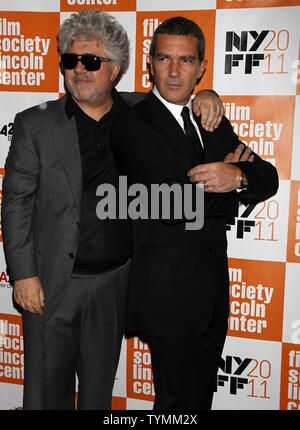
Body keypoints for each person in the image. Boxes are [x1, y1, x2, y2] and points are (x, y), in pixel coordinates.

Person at [1, 10, 224, 410]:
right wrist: (23, 274)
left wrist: (207, 97)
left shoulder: (142, 115)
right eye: (71, 60)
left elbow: (180, 98)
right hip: (49, 283)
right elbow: (15, 201)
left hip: (115, 285)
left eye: (92, 61)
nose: (79, 70)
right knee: (44, 397)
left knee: (97, 398)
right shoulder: (35, 124)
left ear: (116, 68)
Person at [111, 16, 279, 410]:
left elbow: (267, 178)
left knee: (199, 400)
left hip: (213, 291)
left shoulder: (211, 120)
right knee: (175, 404)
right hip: (167, 296)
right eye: (165, 59)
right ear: (150, 62)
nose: (173, 71)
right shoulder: (132, 126)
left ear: (201, 67)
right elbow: (170, 204)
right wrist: (233, 187)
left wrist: (235, 174)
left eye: (185, 61)